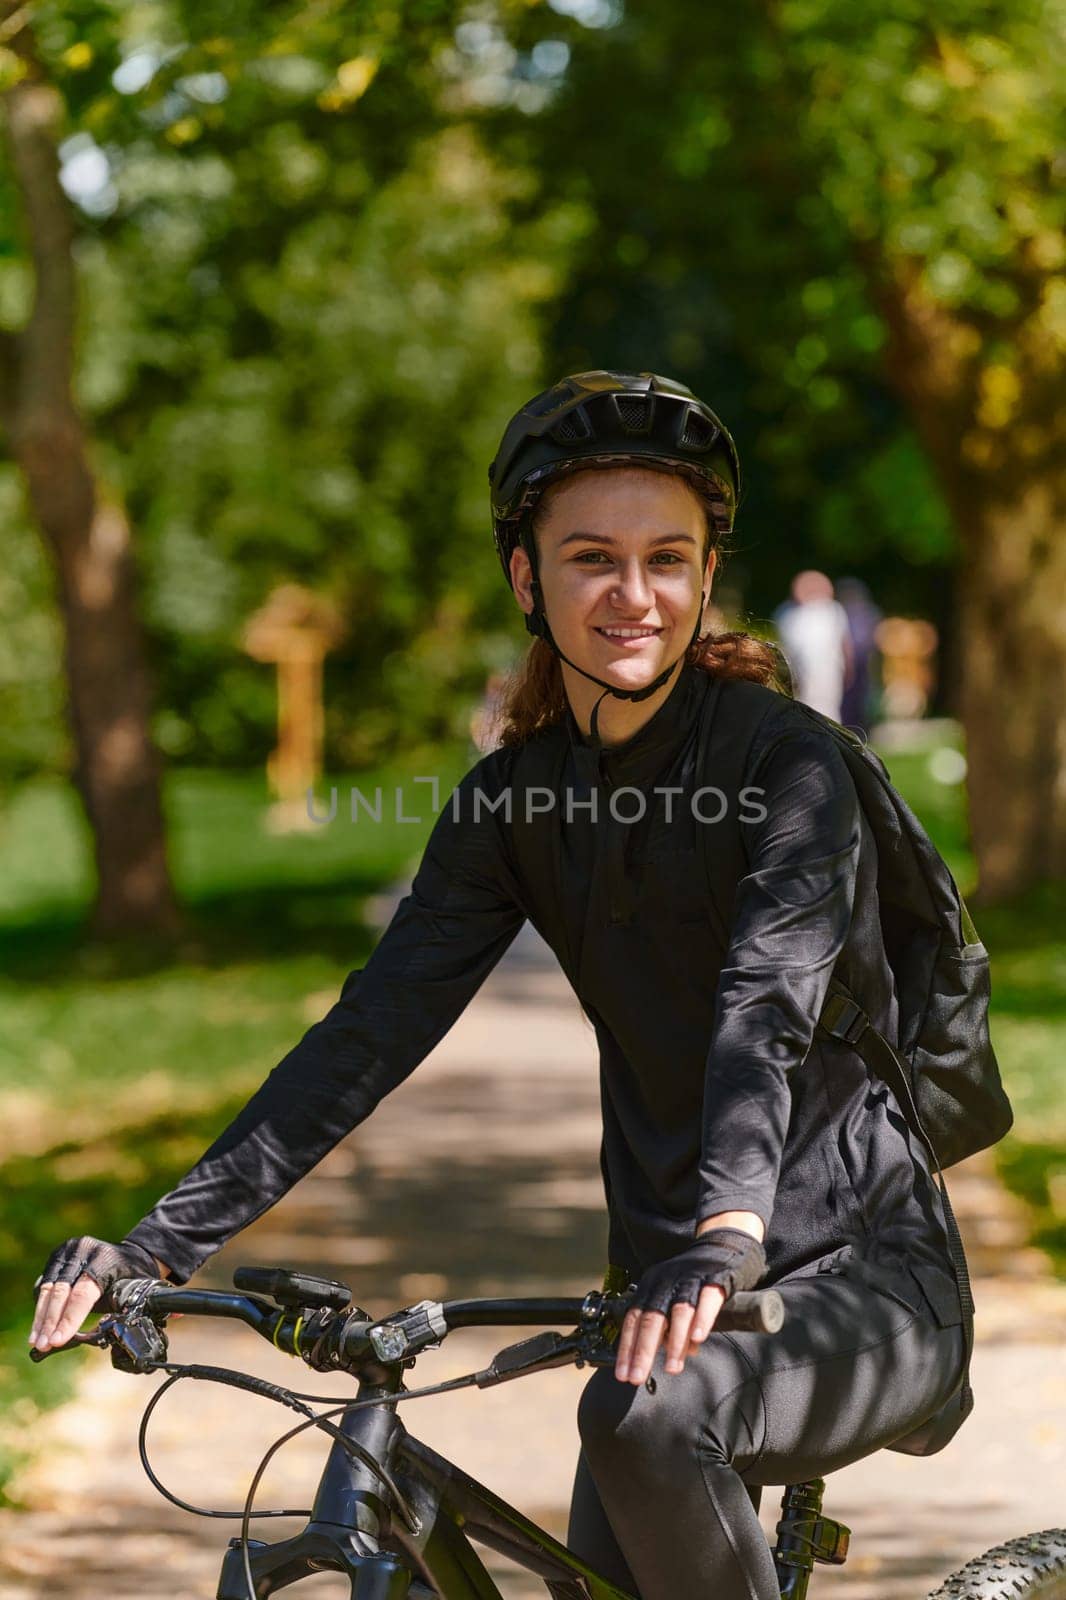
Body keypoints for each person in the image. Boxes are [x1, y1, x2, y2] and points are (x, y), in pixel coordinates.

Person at [31, 372, 969, 1600]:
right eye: (591, 557)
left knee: (640, 1426)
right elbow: (366, 1036)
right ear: (525, 578)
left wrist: (726, 1235)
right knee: (620, 1473)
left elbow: (766, 1005)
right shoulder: (514, 805)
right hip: (659, 1311)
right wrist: (154, 1246)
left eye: (667, 558)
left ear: (702, 577)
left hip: (858, 1279)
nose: (633, 595)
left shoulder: (787, 768)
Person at [772, 569, 853, 721]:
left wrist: (848, 665)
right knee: (804, 705)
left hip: (828, 670)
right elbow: (787, 646)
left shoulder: (832, 610)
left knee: (828, 707)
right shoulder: (788, 613)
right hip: (800, 671)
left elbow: (843, 642)